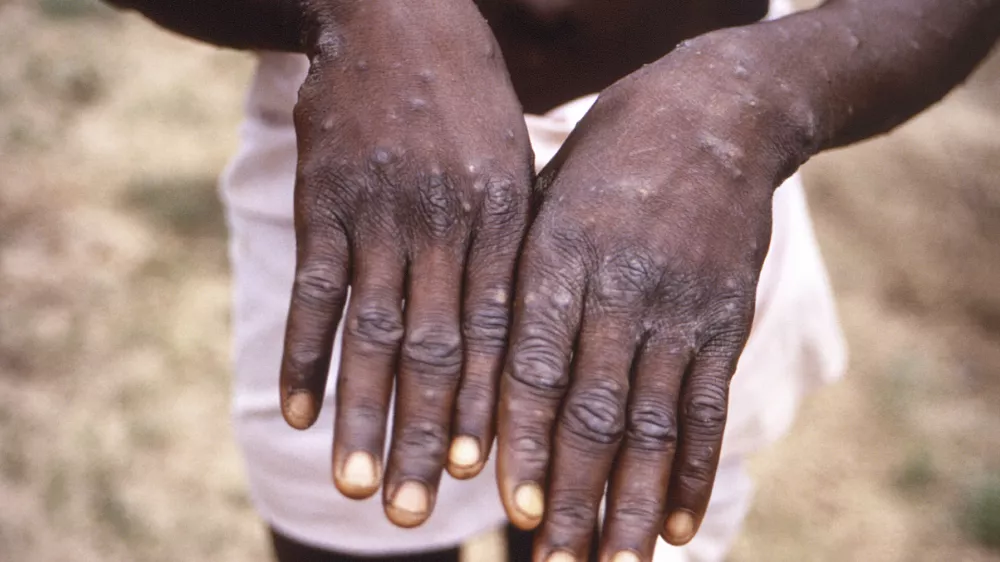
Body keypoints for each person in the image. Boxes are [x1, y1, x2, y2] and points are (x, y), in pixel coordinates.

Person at [103, 0, 999, 560]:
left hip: (693, 200)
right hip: (379, 151)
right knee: (353, 519)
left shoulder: (732, 124)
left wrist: (752, 98)